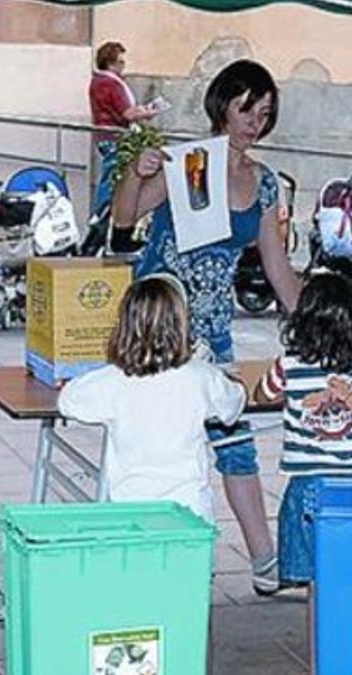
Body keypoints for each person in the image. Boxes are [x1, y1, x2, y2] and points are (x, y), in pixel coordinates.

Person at [112, 59, 302, 594]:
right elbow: (125, 219)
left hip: (214, 325)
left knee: (234, 436)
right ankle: (140, 547)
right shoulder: (188, 161)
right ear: (223, 104)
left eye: (264, 113)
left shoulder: (264, 183)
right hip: (159, 323)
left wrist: (315, 321)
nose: (255, 122)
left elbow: (276, 264)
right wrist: (139, 171)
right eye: (247, 109)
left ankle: (264, 561)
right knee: (153, 439)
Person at [254, 274, 352, 664]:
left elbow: (261, 395)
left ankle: (321, 662)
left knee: (317, 587)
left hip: (308, 487)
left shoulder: (289, 363)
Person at [58, 277, 246, 522]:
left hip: (131, 511)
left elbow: (67, 402)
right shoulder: (201, 377)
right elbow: (233, 406)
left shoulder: (110, 381)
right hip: (190, 511)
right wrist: (235, 382)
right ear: (182, 325)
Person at [88, 41, 164, 250]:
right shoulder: (110, 83)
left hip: (105, 135)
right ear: (110, 63)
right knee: (113, 177)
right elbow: (127, 113)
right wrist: (149, 111)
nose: (123, 67)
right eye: (120, 62)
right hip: (115, 136)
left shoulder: (98, 81)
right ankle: (104, 217)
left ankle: (103, 217)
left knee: (111, 175)